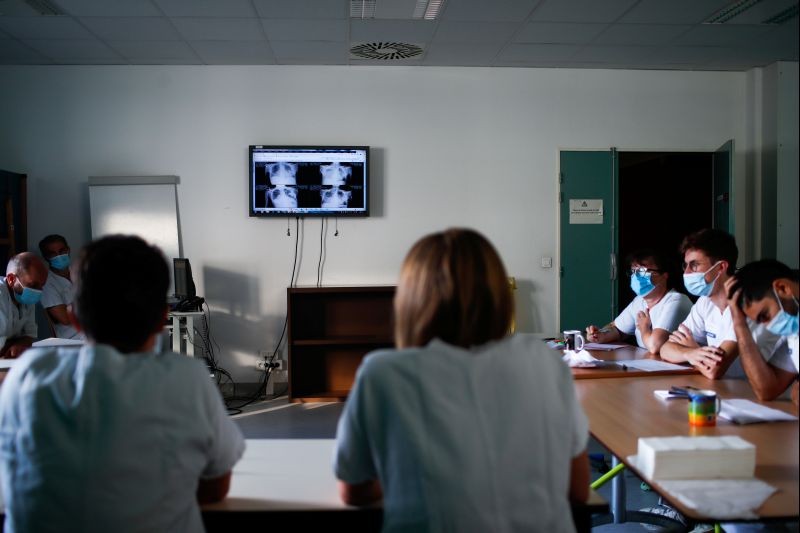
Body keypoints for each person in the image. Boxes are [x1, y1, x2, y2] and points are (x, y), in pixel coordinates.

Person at [334, 228, 590, 532]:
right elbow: (577, 489)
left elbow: (353, 491)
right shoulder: (546, 362)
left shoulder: (383, 374)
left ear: (410, 300)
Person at [0, 235, 245, 533]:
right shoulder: (187, 379)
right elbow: (215, 489)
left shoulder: (25, 377)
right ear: (162, 320)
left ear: (75, 319)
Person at [660, 228, 741, 379]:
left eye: (694, 265)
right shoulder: (705, 302)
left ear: (721, 267)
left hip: (759, 398)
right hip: (725, 390)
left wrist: (693, 349)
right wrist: (691, 353)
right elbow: (665, 349)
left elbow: (713, 370)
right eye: (686, 265)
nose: (686, 273)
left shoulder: (745, 304)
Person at [586, 248, 692, 354]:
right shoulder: (639, 301)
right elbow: (617, 329)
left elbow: (654, 346)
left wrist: (644, 328)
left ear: (664, 275)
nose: (636, 276)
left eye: (642, 271)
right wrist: (599, 335)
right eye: (634, 271)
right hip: (652, 364)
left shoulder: (676, 301)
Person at [725, 259, 798, 405]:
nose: (768, 326)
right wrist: (739, 325)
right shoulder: (793, 332)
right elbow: (766, 389)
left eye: (765, 316)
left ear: (783, 288)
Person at [0, 252, 48, 359]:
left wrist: (16, 343)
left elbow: (29, 335)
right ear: (11, 279)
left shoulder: (25, 295)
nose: (38, 291)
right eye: (33, 285)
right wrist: (16, 343)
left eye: (42, 285)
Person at [38, 234, 84, 339]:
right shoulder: (47, 284)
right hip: (74, 338)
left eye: (62, 251)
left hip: (96, 329)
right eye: (53, 254)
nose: (59, 256)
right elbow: (65, 318)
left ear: (68, 250)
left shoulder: (81, 272)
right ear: (46, 257)